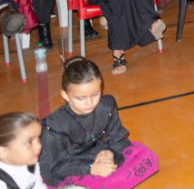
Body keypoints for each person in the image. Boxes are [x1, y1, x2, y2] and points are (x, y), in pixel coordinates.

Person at [39, 58, 158, 188]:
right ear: (66, 95)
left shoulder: (106, 106)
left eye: (95, 94)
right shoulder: (54, 124)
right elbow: (50, 169)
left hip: (99, 156)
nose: (90, 103)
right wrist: (90, 168)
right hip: (71, 165)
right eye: (81, 98)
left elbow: (119, 139)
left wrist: (110, 152)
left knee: (146, 156)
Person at [0, 112, 46, 189]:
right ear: (3, 152)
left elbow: (38, 186)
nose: (39, 146)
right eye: (29, 142)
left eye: (39, 138)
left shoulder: (30, 162)